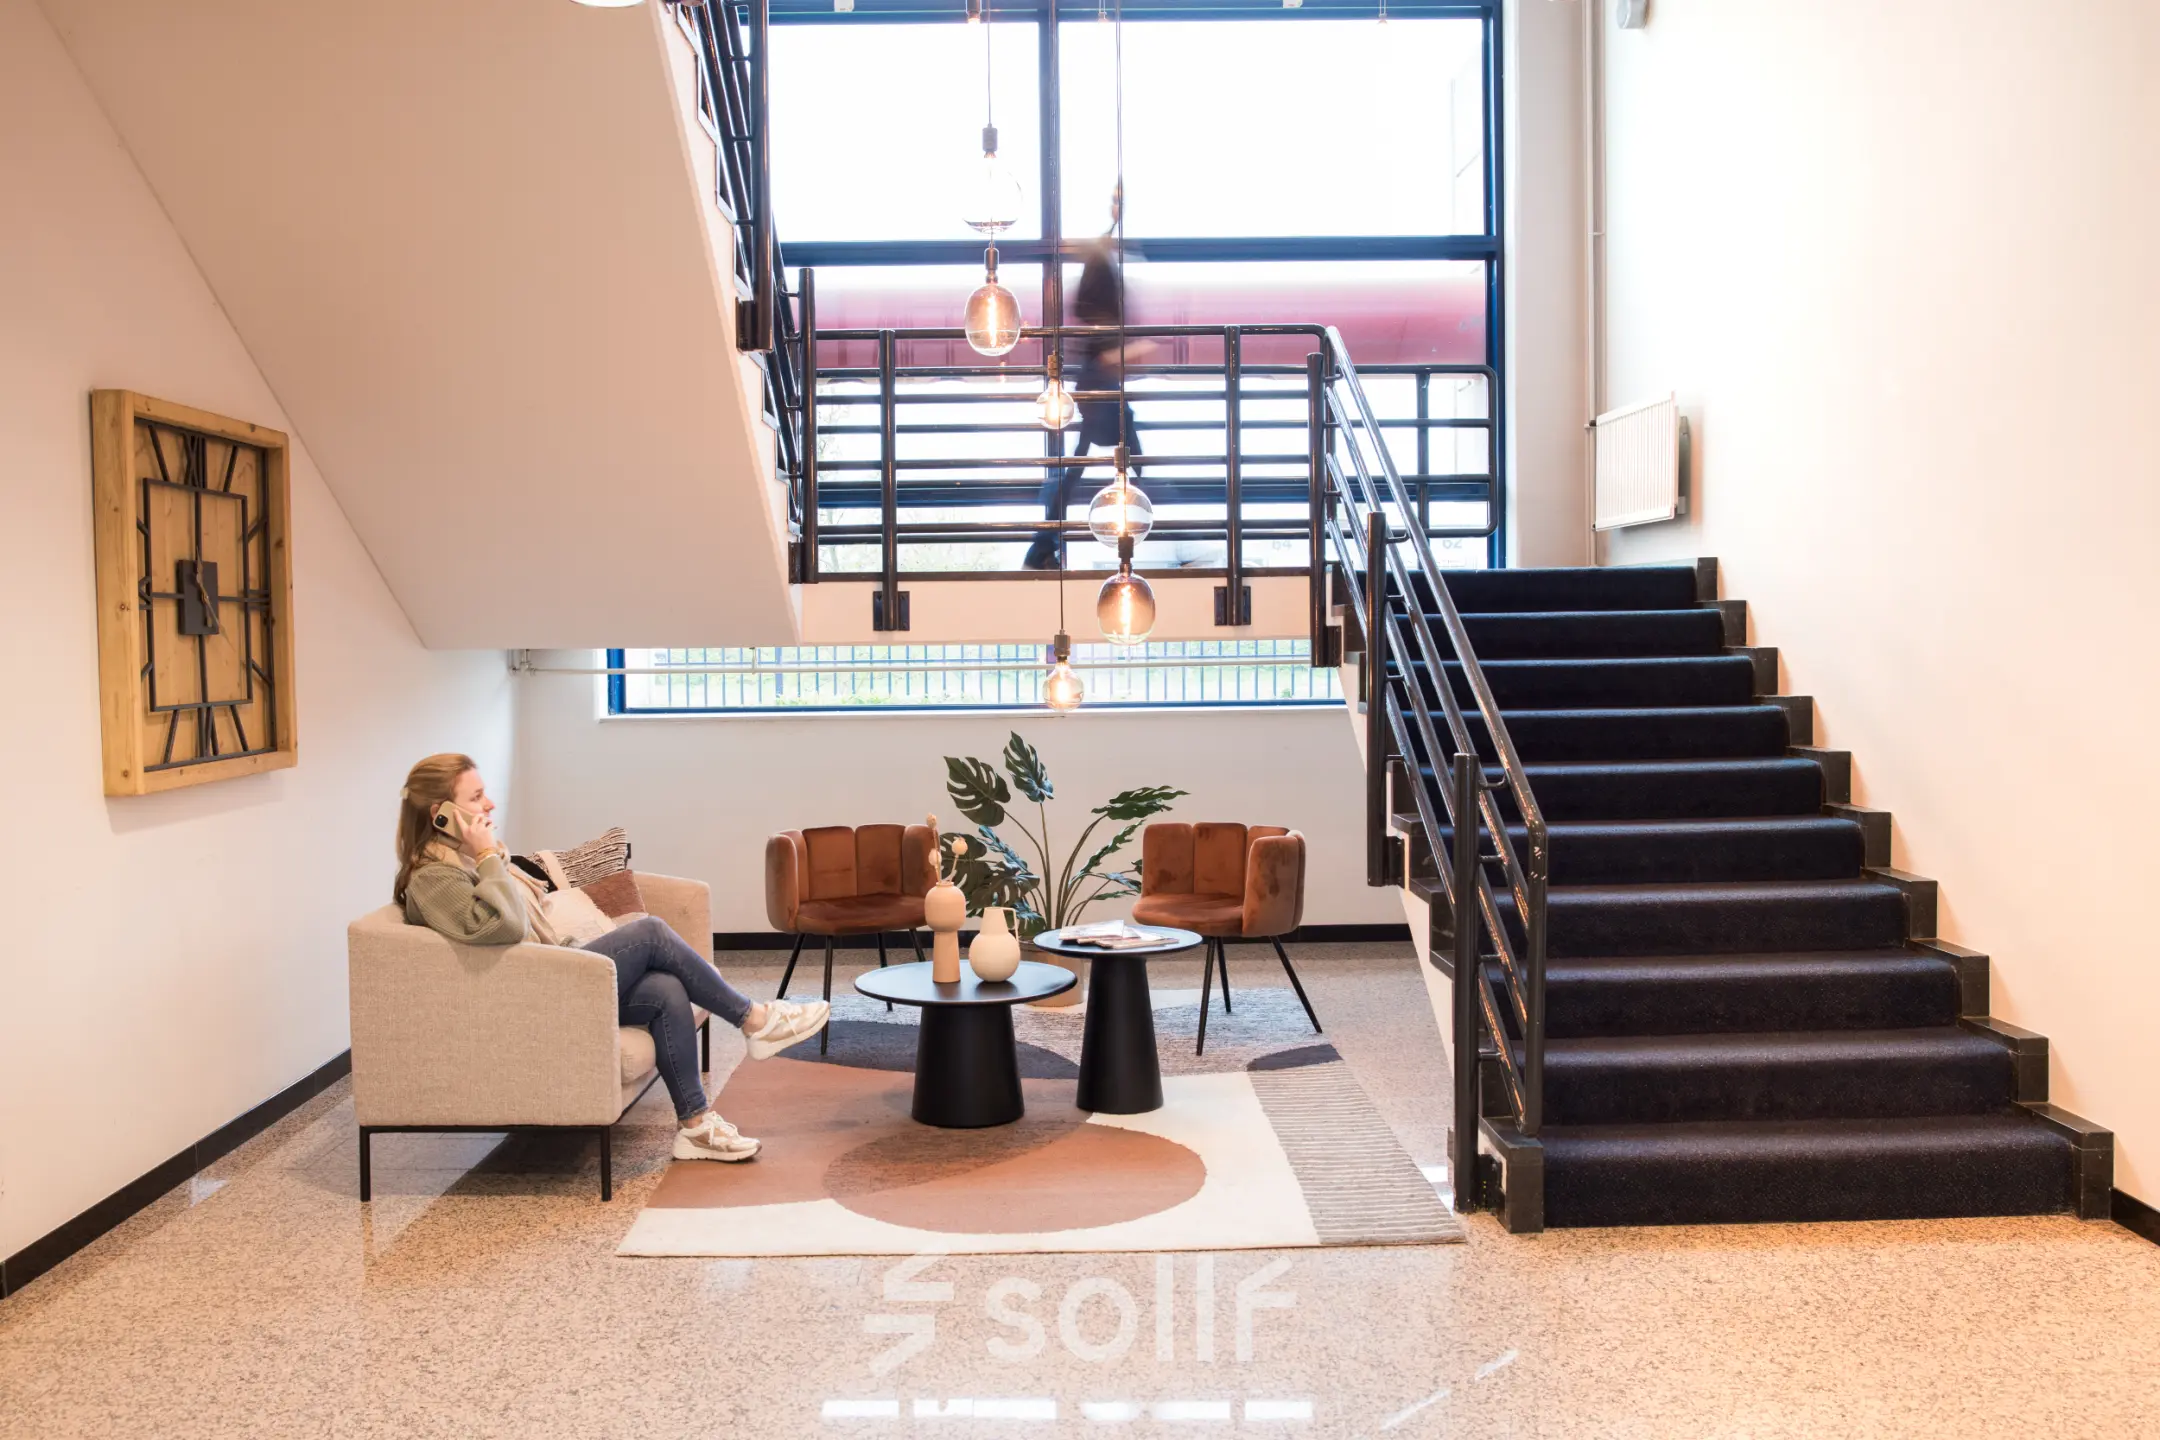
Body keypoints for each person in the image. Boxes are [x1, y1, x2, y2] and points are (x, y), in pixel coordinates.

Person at [392, 753, 828, 1163]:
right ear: (441, 816)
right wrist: (488, 857)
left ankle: (695, 1126)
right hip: (529, 997)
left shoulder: (466, 863)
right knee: (652, 933)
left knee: (665, 988)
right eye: (475, 797)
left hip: (544, 976)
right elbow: (504, 927)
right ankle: (755, 1020)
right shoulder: (434, 879)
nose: (489, 803)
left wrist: (490, 858)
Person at [1022, 185, 1155, 570]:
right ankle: (1043, 544)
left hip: (1098, 378)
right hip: (1101, 378)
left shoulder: (1103, 261)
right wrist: (1122, 351)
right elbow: (1096, 328)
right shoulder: (1102, 261)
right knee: (1128, 456)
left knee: (1090, 462)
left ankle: (1043, 544)